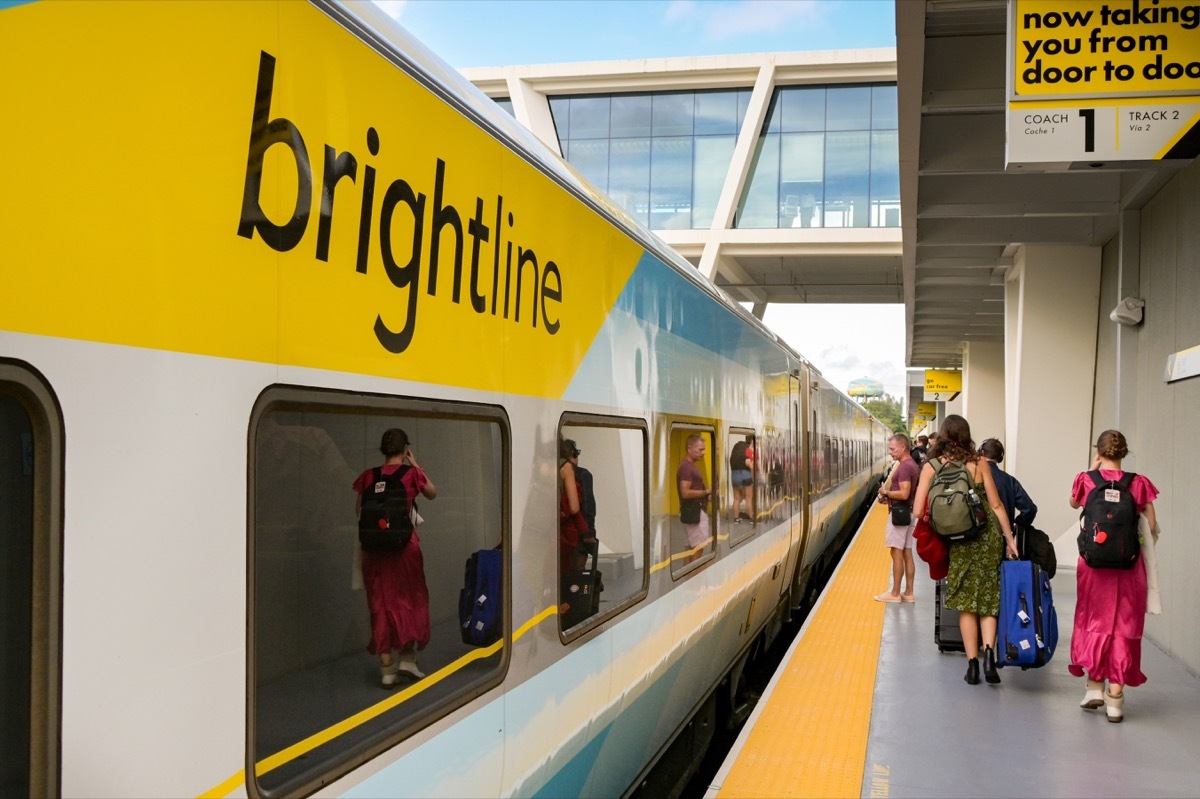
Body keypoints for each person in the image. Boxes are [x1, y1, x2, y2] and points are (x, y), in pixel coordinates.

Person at [911, 415, 1018, 685]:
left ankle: (971, 665)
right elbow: (995, 505)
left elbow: (917, 510)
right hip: (987, 538)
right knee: (988, 599)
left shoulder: (931, 466)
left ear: (943, 435)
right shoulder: (979, 462)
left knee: (966, 604)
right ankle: (990, 656)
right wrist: (1009, 539)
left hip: (958, 541)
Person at [1068, 429, 1159, 722]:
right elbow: (1152, 526)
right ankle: (1115, 698)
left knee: (1093, 620)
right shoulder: (1138, 483)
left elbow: (1073, 503)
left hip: (1094, 567)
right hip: (1129, 568)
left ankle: (1094, 687)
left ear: (1099, 451)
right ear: (1123, 453)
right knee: (1123, 625)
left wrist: (1093, 469)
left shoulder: (1085, 479)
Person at [352, 428, 437, 688]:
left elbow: (359, 511)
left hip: (374, 552)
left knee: (380, 604)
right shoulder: (411, 474)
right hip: (404, 549)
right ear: (405, 449)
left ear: (383, 450)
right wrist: (415, 464)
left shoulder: (368, 476)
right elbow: (432, 492)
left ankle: (387, 668)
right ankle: (407, 658)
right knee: (411, 598)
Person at [875, 433, 920, 603]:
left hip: (900, 515)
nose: (890, 452)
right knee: (907, 552)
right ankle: (908, 593)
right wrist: (888, 498)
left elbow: (904, 493)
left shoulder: (905, 467)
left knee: (897, 552)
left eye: (893, 449)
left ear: (903, 447)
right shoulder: (911, 465)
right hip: (907, 512)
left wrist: (885, 492)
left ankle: (894, 593)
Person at [977, 438, 1037, 527]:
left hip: (979, 537)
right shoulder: (1010, 480)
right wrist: (1017, 525)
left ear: (981, 453)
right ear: (1000, 458)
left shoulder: (974, 477)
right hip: (1005, 536)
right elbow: (1030, 509)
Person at [678, 434, 712, 562]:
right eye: (700, 449)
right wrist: (706, 492)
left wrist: (705, 495)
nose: (703, 453)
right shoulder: (687, 467)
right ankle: (695, 577)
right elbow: (685, 492)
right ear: (689, 448)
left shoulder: (688, 466)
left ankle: (687, 578)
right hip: (695, 513)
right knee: (698, 548)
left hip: (690, 511)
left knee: (689, 550)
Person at [729, 434, 755, 522]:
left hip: (735, 474)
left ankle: (736, 518)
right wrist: (753, 467)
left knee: (736, 498)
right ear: (751, 442)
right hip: (745, 474)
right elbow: (748, 463)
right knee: (748, 498)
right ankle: (750, 517)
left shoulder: (735, 448)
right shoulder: (748, 449)